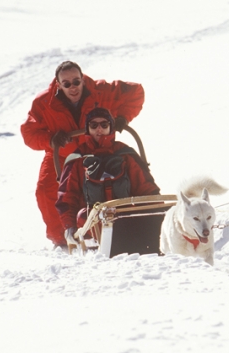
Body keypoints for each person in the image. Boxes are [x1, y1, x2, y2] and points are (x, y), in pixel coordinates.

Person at [20, 60, 145, 248]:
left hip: (99, 149)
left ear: (83, 79)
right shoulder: (44, 102)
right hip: (63, 155)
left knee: (117, 179)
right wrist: (51, 140)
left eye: (76, 82)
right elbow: (29, 133)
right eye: (66, 84)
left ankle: (127, 226)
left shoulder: (101, 91)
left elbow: (136, 92)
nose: (73, 87)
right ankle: (63, 240)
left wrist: (122, 118)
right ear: (58, 84)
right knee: (47, 190)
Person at [56, 107, 160, 246]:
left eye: (104, 125)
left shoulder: (125, 154)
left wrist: (156, 218)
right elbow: (67, 197)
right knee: (83, 215)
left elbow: (146, 189)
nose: (99, 129)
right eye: (93, 125)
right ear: (88, 128)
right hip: (91, 222)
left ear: (111, 127)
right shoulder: (77, 159)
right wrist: (69, 226)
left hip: (125, 217)